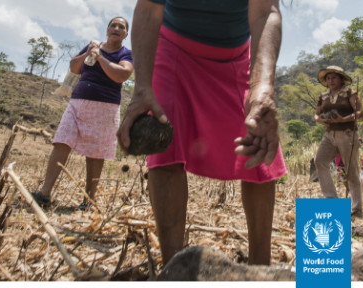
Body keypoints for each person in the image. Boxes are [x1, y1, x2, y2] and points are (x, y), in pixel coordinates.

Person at [117, 0, 286, 265]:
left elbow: (265, 12)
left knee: (258, 143)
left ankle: (261, 268)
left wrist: (262, 85)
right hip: (172, 50)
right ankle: (173, 269)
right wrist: (141, 87)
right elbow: (149, 9)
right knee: (165, 151)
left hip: (235, 58)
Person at [31, 17, 134, 210]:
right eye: (113, 25)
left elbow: (121, 74)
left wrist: (100, 57)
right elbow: (74, 67)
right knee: (62, 140)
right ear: (107, 30)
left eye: (122, 27)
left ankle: (89, 199)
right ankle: (44, 193)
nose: (117, 28)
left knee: (96, 152)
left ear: (126, 34)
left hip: (105, 108)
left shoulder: (125, 54)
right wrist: (88, 52)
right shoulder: (92, 46)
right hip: (77, 103)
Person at [314, 66, 363, 218]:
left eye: (334, 78)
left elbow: (360, 112)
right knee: (319, 161)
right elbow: (317, 115)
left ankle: (356, 209)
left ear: (342, 79)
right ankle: (332, 201)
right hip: (329, 135)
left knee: (351, 171)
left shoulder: (350, 93)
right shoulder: (323, 96)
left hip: (348, 134)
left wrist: (345, 119)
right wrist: (320, 121)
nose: (330, 80)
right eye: (328, 78)